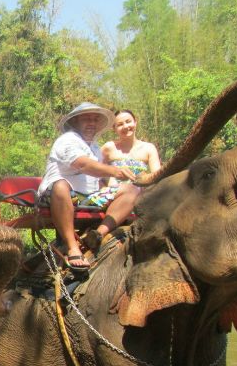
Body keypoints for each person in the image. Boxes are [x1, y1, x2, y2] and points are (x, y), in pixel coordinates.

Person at [36, 102, 137, 271]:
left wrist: (110, 184)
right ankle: (72, 247)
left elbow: (98, 177)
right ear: (75, 122)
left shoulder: (95, 147)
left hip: (88, 197)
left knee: (131, 190)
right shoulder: (67, 140)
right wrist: (115, 171)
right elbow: (82, 164)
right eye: (86, 119)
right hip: (59, 195)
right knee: (60, 185)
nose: (91, 123)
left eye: (95, 119)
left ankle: (98, 234)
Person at [85, 109, 162, 208]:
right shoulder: (108, 147)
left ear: (135, 122)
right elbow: (94, 174)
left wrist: (144, 180)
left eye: (128, 121)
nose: (125, 126)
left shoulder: (149, 148)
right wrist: (104, 188)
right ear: (114, 128)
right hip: (113, 197)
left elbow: (158, 176)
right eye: (120, 124)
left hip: (140, 197)